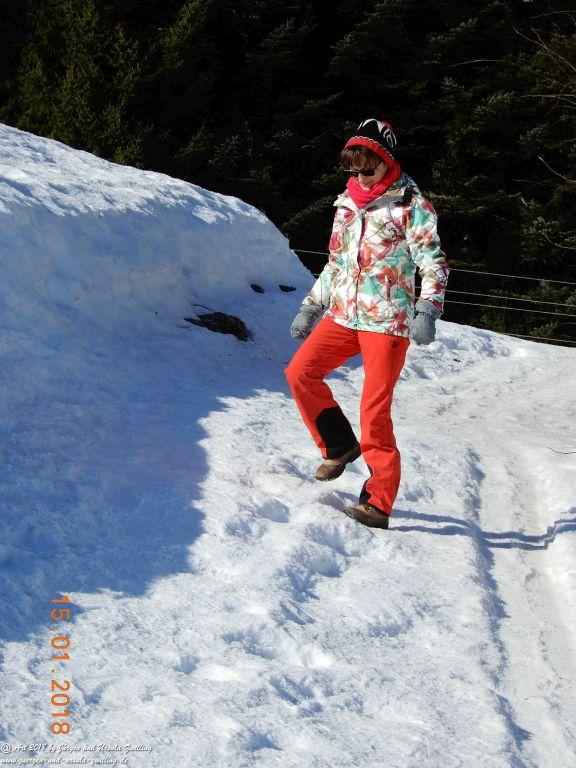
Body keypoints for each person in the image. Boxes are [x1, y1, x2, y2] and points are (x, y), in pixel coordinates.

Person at [284, 118, 450, 529]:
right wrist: (312, 306)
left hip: (387, 320)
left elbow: (433, 262)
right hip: (343, 314)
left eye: (367, 168)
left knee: (373, 410)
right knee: (300, 373)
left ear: (386, 161)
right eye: (352, 169)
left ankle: (378, 501)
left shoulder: (412, 206)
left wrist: (428, 309)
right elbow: (336, 263)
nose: (359, 176)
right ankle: (339, 445)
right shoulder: (346, 204)